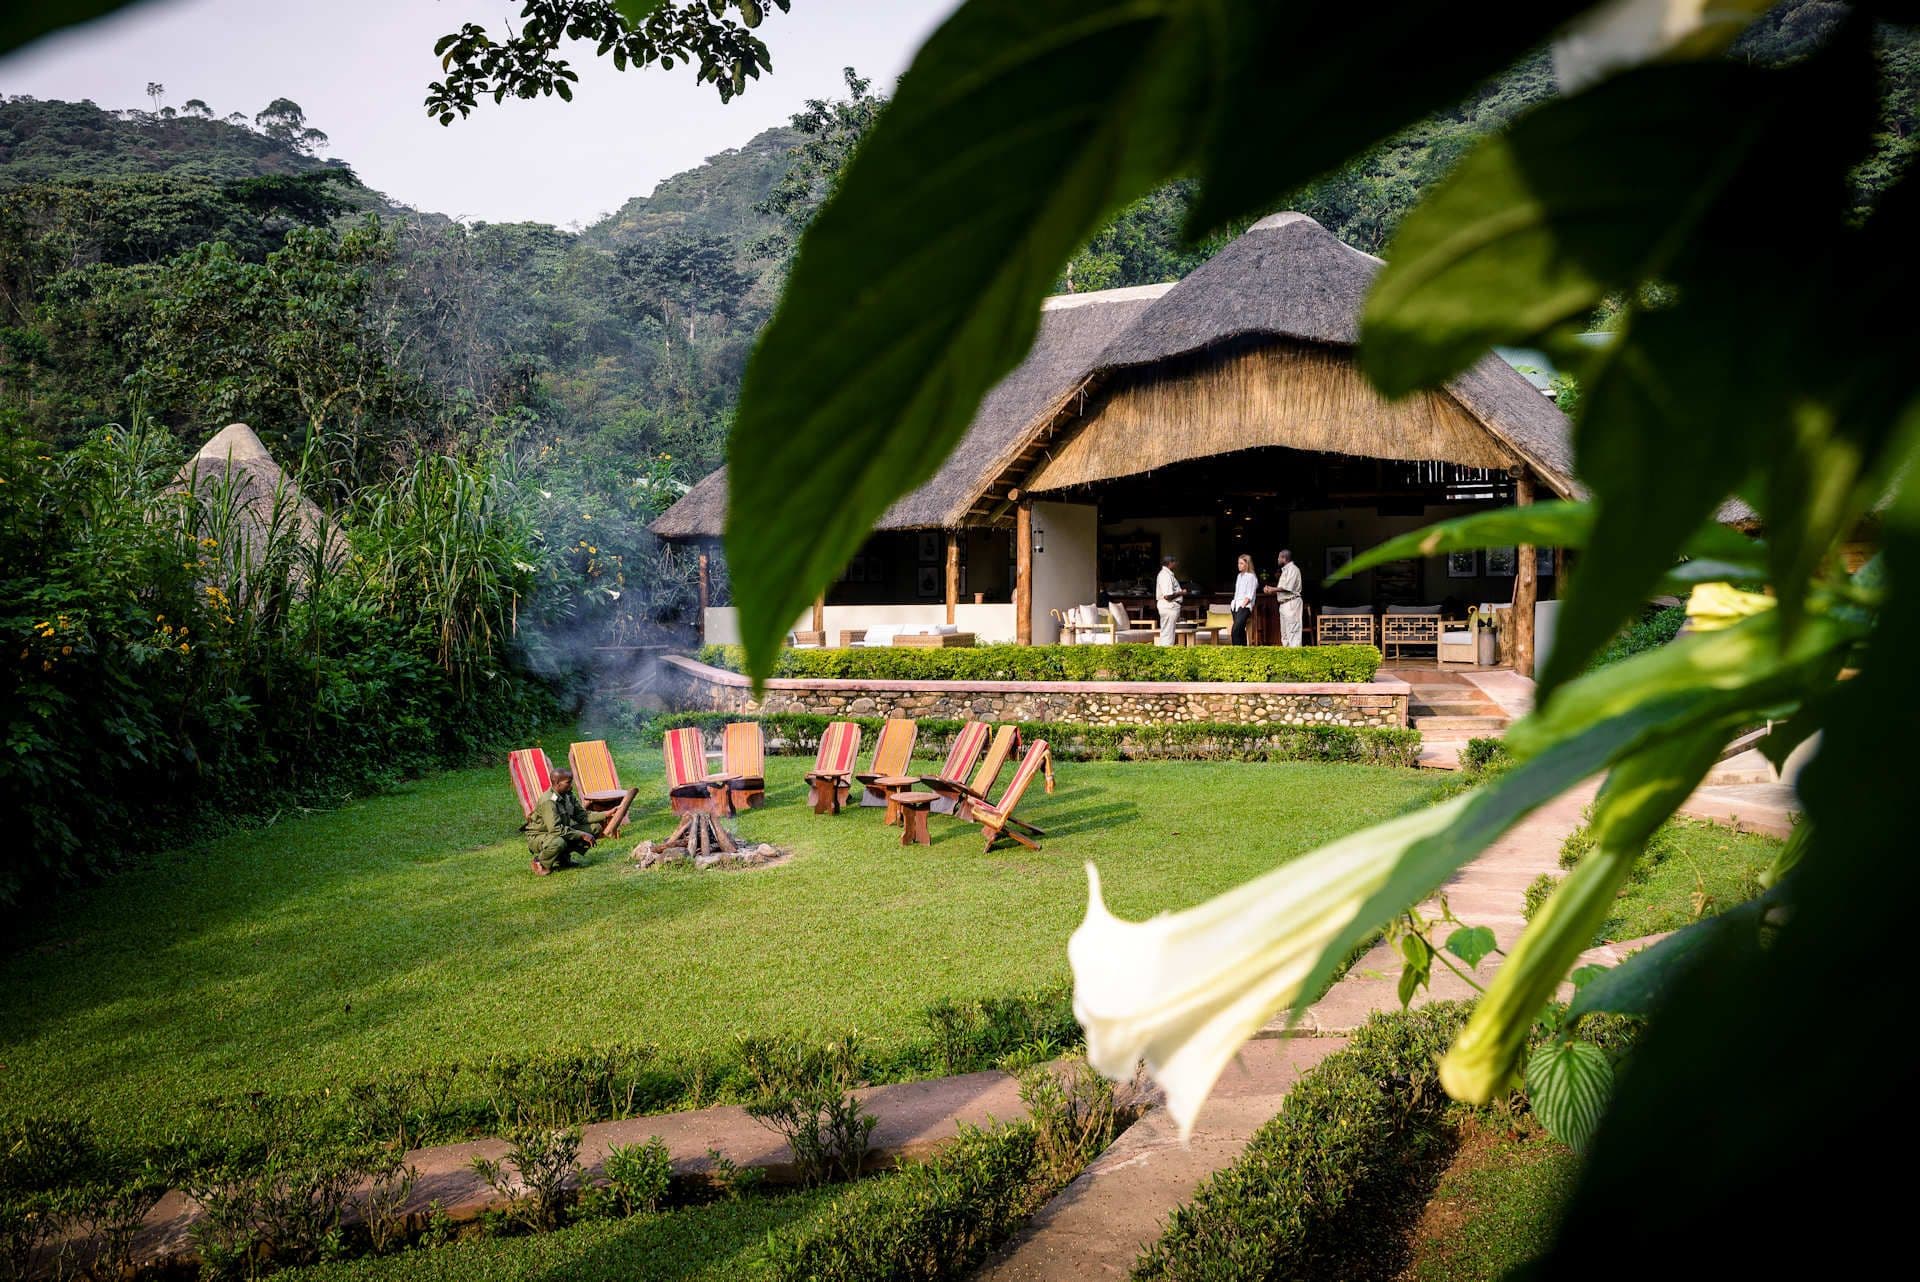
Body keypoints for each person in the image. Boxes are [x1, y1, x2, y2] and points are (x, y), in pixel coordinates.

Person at [522, 768, 612, 875]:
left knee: (595, 828)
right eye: (568, 782)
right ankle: (540, 862)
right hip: (539, 835)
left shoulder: (568, 795)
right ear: (557, 783)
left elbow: (582, 816)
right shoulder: (549, 801)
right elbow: (555, 829)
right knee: (559, 842)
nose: (571, 785)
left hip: (557, 832)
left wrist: (607, 814)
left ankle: (563, 859)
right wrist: (582, 835)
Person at [1264, 549, 1304, 646]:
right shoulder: (1285, 571)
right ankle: (1287, 659)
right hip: (1283, 604)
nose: (1277, 559)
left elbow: (1288, 588)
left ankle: (1296, 659)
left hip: (1291, 603)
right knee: (1285, 634)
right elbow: (1282, 589)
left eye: (1279, 557)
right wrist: (1270, 590)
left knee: (1293, 633)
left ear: (1284, 558)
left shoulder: (1293, 569)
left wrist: (1272, 589)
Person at [1154, 555, 1185, 646]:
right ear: (1170, 563)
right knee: (1168, 634)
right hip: (1168, 607)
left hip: (1170, 607)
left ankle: (1166, 653)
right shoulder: (1165, 575)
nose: (1176, 564)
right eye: (1175, 562)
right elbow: (1167, 596)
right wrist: (1181, 593)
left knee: (1168, 633)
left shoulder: (1167, 574)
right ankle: (1165, 654)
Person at [1229, 553, 1258, 646]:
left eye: (1241, 563)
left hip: (1244, 607)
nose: (1239, 565)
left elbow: (1249, 595)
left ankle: (1236, 653)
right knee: (1240, 631)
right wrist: (1233, 605)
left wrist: (1242, 606)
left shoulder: (1251, 577)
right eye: (1238, 563)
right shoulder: (1239, 576)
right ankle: (1243, 653)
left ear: (1247, 564)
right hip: (1235, 607)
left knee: (1235, 631)